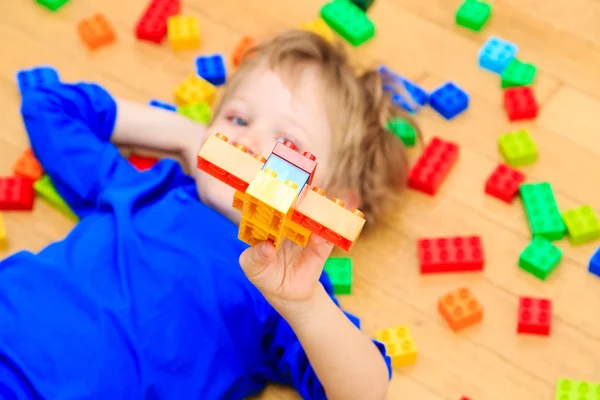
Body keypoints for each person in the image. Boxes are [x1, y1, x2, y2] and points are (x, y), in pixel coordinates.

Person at [0, 29, 418, 400]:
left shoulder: (287, 288)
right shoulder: (147, 189)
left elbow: (365, 389)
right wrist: (189, 137)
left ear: (330, 200)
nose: (249, 141)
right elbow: (50, 105)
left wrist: (308, 306)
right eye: (237, 118)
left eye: (287, 146)